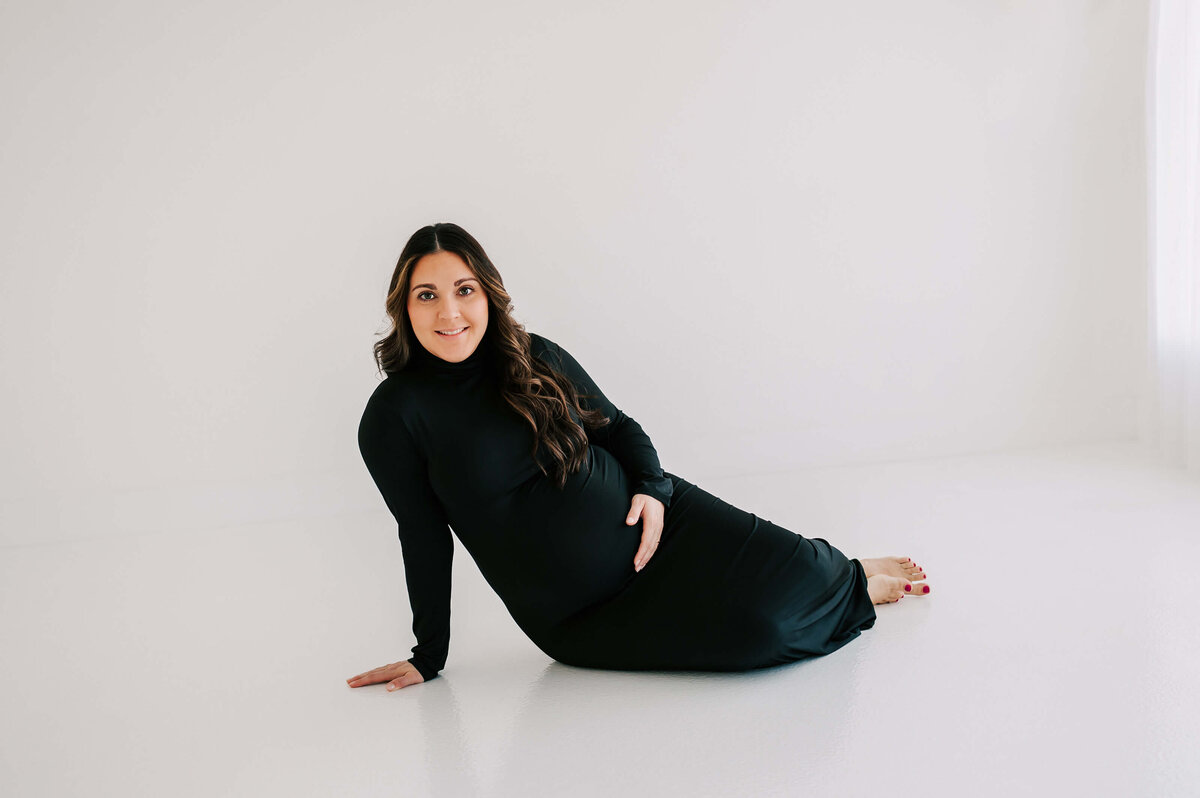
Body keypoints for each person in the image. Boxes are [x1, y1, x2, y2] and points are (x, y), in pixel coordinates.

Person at [346, 222, 931, 693]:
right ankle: (853, 587)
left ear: (487, 295)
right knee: (764, 632)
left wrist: (652, 491)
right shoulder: (393, 418)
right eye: (429, 296)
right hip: (586, 613)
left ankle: (845, 572)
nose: (450, 313)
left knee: (798, 569)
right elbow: (423, 537)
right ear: (405, 307)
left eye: (464, 290)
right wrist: (429, 656)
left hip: (663, 521)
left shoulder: (533, 355)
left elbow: (619, 428)